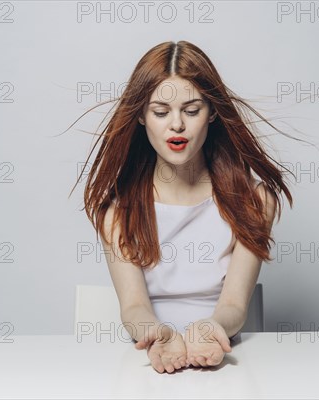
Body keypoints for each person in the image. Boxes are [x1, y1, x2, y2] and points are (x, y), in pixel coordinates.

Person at [70, 41, 295, 374]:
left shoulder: (255, 202)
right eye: (161, 112)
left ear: (213, 112)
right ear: (142, 117)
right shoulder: (117, 211)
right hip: (146, 367)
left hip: (226, 366)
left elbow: (234, 303)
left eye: (192, 110)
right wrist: (158, 334)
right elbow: (133, 307)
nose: (177, 125)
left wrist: (211, 329)